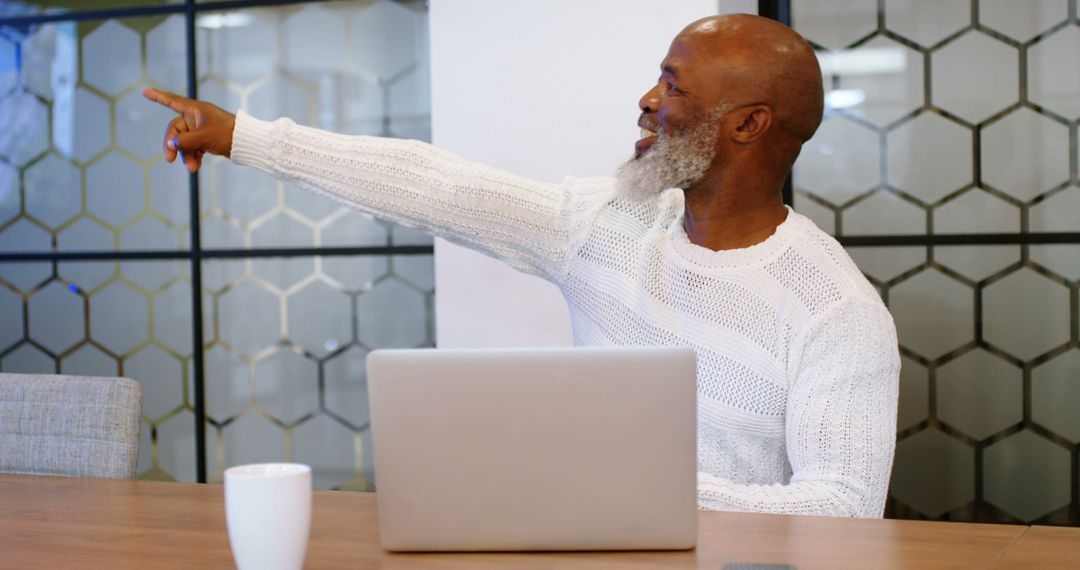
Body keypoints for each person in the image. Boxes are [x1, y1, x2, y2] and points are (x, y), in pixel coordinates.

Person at [145, 14, 900, 518]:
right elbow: (436, 185)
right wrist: (243, 136)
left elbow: (843, 507)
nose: (645, 100)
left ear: (747, 124)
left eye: (672, 84)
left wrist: (636, 492)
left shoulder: (835, 309)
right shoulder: (606, 226)